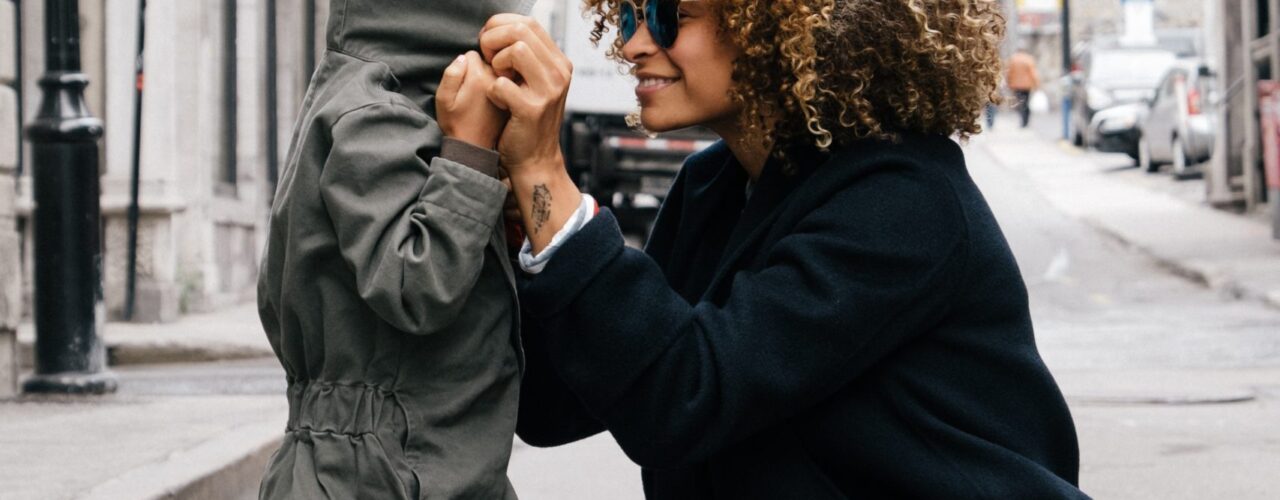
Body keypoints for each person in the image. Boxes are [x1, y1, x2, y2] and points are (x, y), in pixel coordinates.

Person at [477, 0, 1086, 498]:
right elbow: (556, 407)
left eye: (668, 16)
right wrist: (522, 229)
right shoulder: (712, 187)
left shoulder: (904, 202)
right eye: (630, 15)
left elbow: (684, 398)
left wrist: (545, 175)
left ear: (777, 26)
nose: (633, 44)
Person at [255, 0, 535, 498]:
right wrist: (470, 157)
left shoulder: (413, 104)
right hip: (375, 473)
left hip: (418, 462)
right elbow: (415, 284)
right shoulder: (377, 109)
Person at [1007, 48, 1041, 128]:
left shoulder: (1013, 59)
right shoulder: (1028, 59)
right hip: (1027, 85)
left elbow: (1009, 73)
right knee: (1026, 102)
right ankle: (1026, 120)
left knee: (1020, 102)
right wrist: (1037, 84)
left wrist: (1009, 83)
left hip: (1016, 85)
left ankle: (1022, 119)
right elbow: (1033, 72)